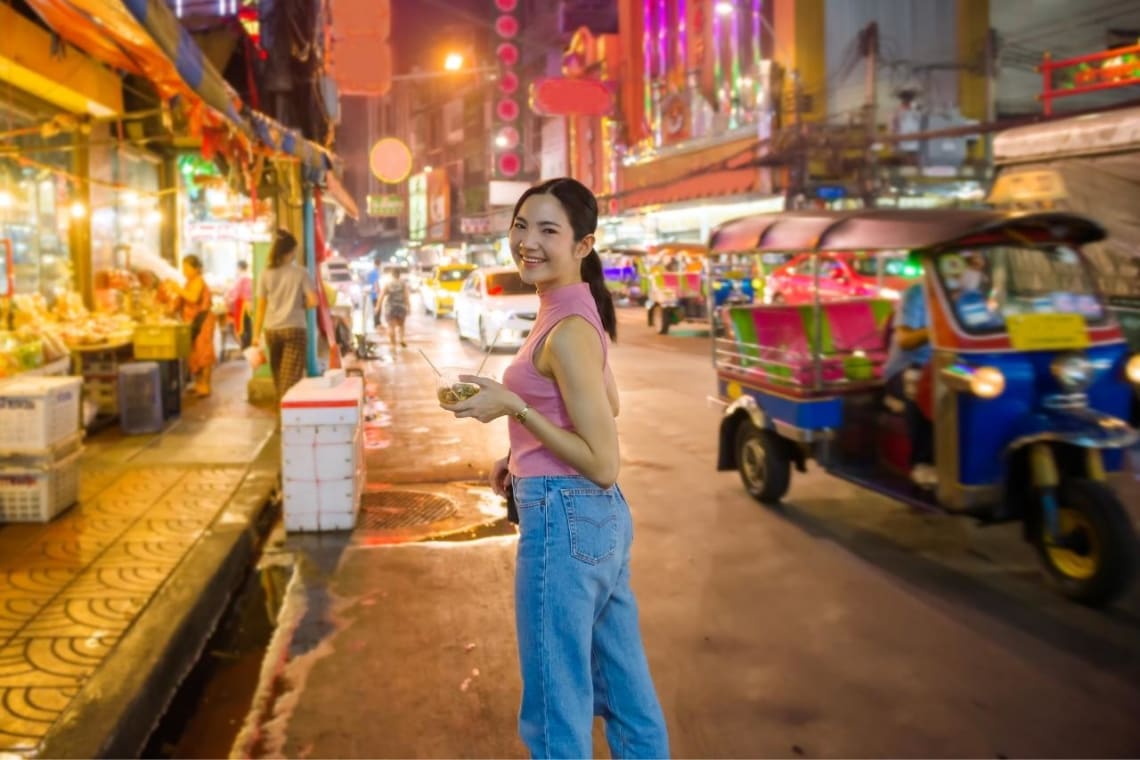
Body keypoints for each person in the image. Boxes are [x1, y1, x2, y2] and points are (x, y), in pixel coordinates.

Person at [440, 178, 669, 758]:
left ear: (583, 245)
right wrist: (518, 454)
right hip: (595, 525)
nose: (528, 242)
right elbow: (601, 401)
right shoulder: (575, 310)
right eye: (521, 226)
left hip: (566, 521)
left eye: (548, 230)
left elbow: (603, 463)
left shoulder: (566, 329)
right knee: (624, 694)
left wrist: (513, 406)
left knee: (554, 709)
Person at [252, 229, 318, 400]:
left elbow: (260, 307)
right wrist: (300, 304)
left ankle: (282, 421)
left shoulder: (265, 274)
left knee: (279, 378)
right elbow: (313, 301)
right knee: (290, 382)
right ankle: (284, 423)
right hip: (294, 330)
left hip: (272, 331)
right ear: (292, 251)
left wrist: (255, 335)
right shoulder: (301, 273)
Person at [883, 277, 936, 487]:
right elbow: (904, 340)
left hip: (946, 366)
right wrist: (939, 328)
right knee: (919, 381)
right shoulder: (916, 294)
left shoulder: (969, 296)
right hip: (906, 369)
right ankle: (922, 463)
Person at [175, 254, 216, 398]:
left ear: (196, 269)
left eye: (187, 267)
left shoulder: (198, 281)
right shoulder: (188, 282)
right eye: (183, 267)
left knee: (204, 353)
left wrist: (177, 289)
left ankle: (206, 385)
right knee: (195, 354)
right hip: (192, 322)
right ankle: (199, 384)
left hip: (202, 321)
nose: (184, 270)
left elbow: (193, 298)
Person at [378, 267, 409, 348]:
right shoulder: (403, 283)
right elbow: (406, 296)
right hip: (401, 306)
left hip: (390, 307)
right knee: (401, 325)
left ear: (391, 275)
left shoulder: (388, 284)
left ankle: (393, 344)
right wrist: (408, 306)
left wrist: (378, 307)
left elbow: (381, 296)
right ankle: (402, 339)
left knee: (391, 326)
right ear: (399, 275)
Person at [226, 260, 254, 348]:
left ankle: (245, 347)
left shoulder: (241, 278)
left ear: (239, 268)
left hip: (242, 305)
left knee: (243, 328)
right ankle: (247, 346)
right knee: (248, 326)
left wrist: (228, 299)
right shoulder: (249, 277)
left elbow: (236, 293)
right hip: (249, 304)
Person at [367, 258, 384, 327]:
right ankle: (376, 322)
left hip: (374, 294)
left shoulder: (372, 272)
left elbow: (369, 281)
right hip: (376, 294)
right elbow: (375, 283)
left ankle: (377, 322)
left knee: (377, 308)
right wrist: (378, 291)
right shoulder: (375, 272)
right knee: (377, 308)